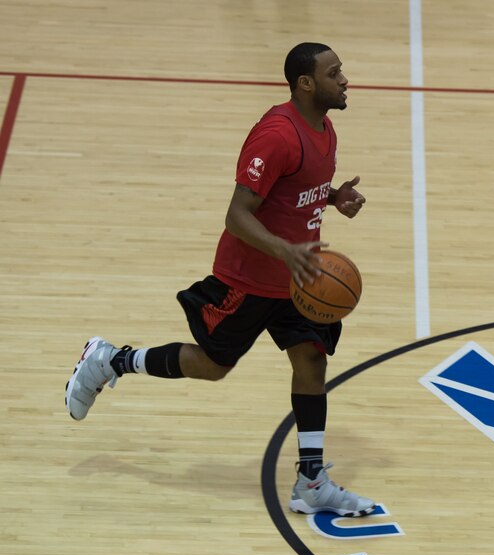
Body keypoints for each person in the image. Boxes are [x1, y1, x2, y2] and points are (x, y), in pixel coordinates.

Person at [65, 42, 375, 517]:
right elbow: (237, 215)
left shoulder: (325, 128)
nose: (345, 79)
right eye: (335, 73)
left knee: (311, 362)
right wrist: (285, 251)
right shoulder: (276, 134)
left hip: (298, 280)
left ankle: (312, 482)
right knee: (212, 366)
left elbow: (294, 188)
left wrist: (332, 198)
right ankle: (111, 360)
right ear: (305, 83)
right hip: (250, 278)